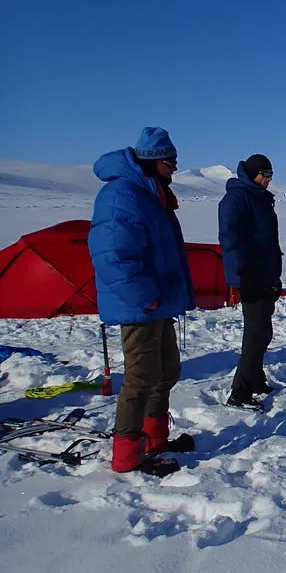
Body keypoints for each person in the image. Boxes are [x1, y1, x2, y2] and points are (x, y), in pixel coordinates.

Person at [88, 127, 196, 476]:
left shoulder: (152, 192)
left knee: (166, 371)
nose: (174, 169)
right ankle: (126, 454)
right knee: (140, 379)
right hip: (141, 305)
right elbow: (113, 254)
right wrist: (145, 297)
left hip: (158, 302)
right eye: (170, 162)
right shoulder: (122, 194)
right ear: (151, 161)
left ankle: (155, 438)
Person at [218, 154, 283, 412]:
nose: (268, 180)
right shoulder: (237, 198)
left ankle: (255, 379)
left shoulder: (259, 197)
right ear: (252, 174)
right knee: (255, 335)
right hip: (251, 277)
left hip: (265, 275)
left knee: (263, 332)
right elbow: (230, 238)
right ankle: (240, 392)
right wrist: (242, 273)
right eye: (264, 175)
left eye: (271, 175)